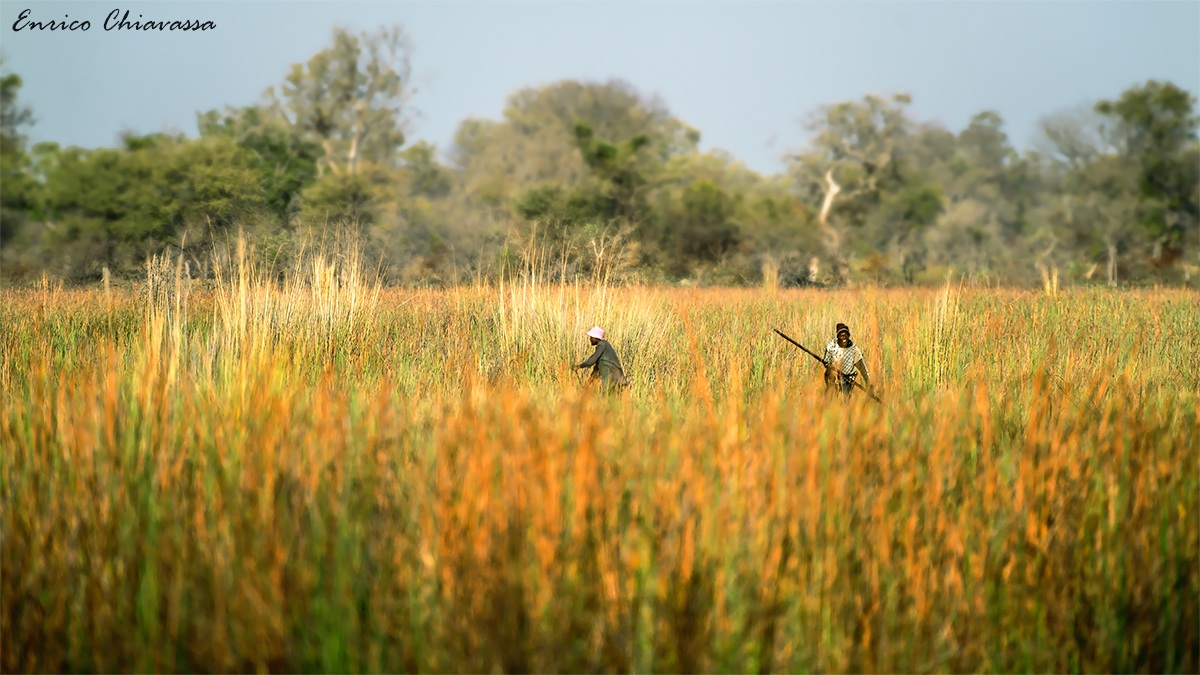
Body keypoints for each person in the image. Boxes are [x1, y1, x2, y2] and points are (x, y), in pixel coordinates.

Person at [822, 323, 872, 398]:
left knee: (845, 399)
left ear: (848, 336)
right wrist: (828, 365)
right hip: (833, 374)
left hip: (847, 377)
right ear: (838, 336)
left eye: (846, 335)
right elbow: (826, 361)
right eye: (841, 335)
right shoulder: (831, 346)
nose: (844, 338)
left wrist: (868, 383)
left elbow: (862, 367)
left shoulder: (853, 349)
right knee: (830, 395)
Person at [573, 326, 628, 392]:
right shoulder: (604, 348)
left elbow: (591, 361)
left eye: (592, 337)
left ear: (597, 338)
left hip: (612, 381)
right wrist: (586, 386)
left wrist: (579, 366)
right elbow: (596, 371)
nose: (590, 339)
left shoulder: (602, 345)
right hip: (618, 381)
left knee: (606, 398)